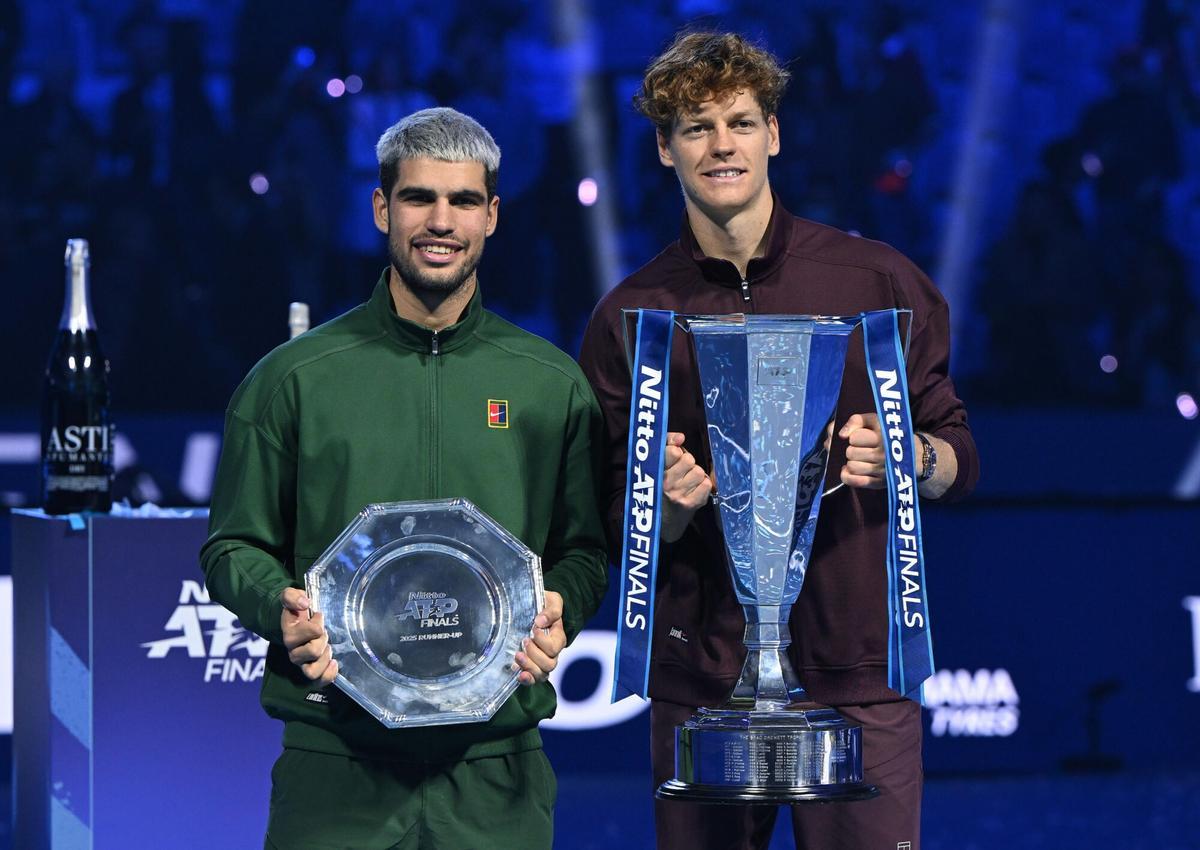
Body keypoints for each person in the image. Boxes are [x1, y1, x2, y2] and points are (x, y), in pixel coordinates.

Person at [579, 32, 979, 850]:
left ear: (775, 134)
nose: (721, 144)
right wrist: (666, 506)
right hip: (703, 679)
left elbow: (958, 453)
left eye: (739, 122)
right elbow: (603, 503)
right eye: (696, 127)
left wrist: (912, 460)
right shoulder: (633, 314)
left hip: (860, 670)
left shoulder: (879, 284)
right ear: (664, 148)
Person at [200, 107, 608, 850]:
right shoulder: (292, 380)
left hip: (497, 773)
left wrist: (560, 609)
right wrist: (281, 610)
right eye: (419, 198)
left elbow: (585, 548)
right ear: (383, 207)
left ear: (492, 215)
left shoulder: (551, 383)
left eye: (461, 201)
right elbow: (231, 547)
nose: (439, 221)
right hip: (335, 770)